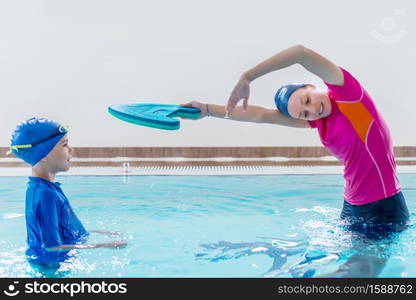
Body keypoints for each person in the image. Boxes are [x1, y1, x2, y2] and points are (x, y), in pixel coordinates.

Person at [181, 44, 409, 237]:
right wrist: (207, 110)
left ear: (311, 86)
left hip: (383, 207)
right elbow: (261, 115)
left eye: (307, 100)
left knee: (358, 274)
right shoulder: (319, 121)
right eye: (304, 113)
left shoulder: (349, 96)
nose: (312, 110)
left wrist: (247, 77)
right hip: (351, 205)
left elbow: (300, 53)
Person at [8, 117, 127, 267]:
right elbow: (51, 247)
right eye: (65, 144)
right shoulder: (45, 194)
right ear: (43, 155)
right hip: (51, 269)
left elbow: (63, 229)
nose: (71, 150)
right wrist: (103, 246)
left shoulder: (45, 187)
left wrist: (98, 232)